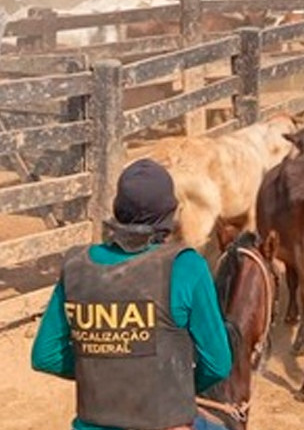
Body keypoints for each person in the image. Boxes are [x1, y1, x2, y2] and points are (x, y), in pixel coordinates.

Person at [31, 159, 234, 430]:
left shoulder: (76, 266)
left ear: (117, 210)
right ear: (169, 214)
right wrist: (172, 388)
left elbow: (46, 355)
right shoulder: (187, 266)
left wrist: (105, 371)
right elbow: (218, 363)